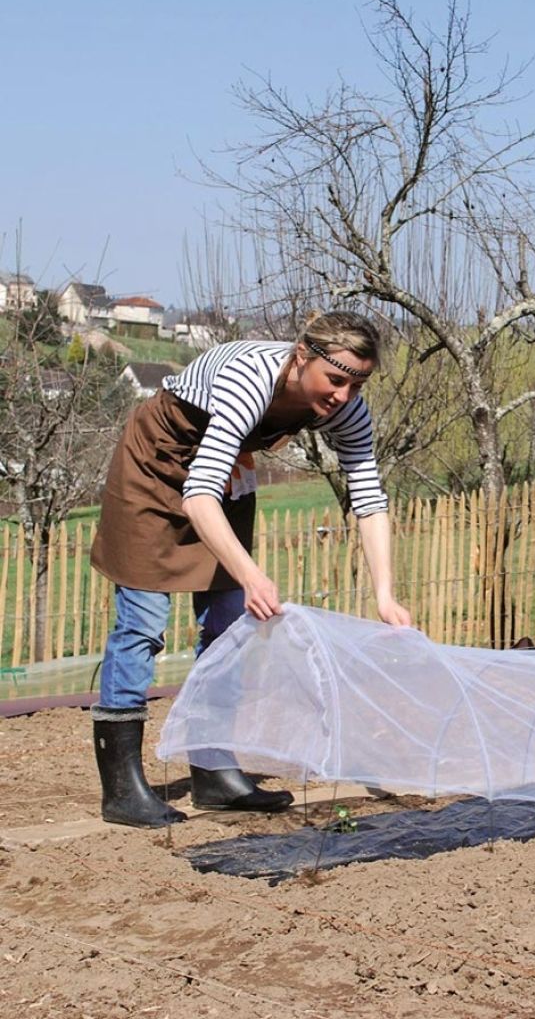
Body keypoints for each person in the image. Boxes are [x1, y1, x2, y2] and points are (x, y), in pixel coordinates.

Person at [89, 310, 411, 828]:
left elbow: (369, 498)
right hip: (156, 468)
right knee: (143, 625)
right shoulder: (251, 378)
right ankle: (122, 788)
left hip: (221, 478)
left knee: (227, 628)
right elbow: (196, 495)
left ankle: (214, 771)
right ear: (302, 356)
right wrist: (252, 575)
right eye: (336, 380)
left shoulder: (345, 409)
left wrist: (385, 595)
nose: (343, 396)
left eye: (357, 384)